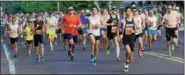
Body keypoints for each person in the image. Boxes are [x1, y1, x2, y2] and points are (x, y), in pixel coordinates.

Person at [118, 6, 137, 72]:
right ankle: (127, 63)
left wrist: (133, 31)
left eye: (129, 11)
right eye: (127, 11)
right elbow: (118, 28)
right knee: (128, 51)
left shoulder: (134, 20)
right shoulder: (122, 20)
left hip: (132, 38)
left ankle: (126, 62)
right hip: (125, 38)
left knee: (129, 52)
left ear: (131, 12)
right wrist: (118, 36)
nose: (128, 12)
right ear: (125, 12)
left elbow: (138, 29)